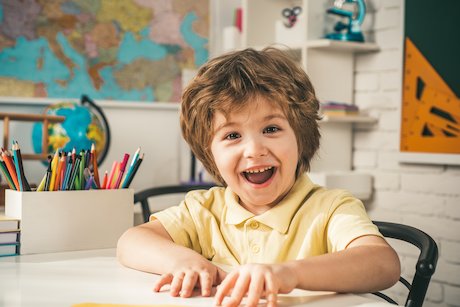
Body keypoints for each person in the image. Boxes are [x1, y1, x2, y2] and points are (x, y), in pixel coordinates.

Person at [117, 47, 401, 307]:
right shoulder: (204, 210)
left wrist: (288, 274)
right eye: (232, 135)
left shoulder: (330, 208)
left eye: (271, 129)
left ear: (300, 137)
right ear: (209, 153)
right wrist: (183, 260)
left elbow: (382, 264)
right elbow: (131, 241)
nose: (254, 150)